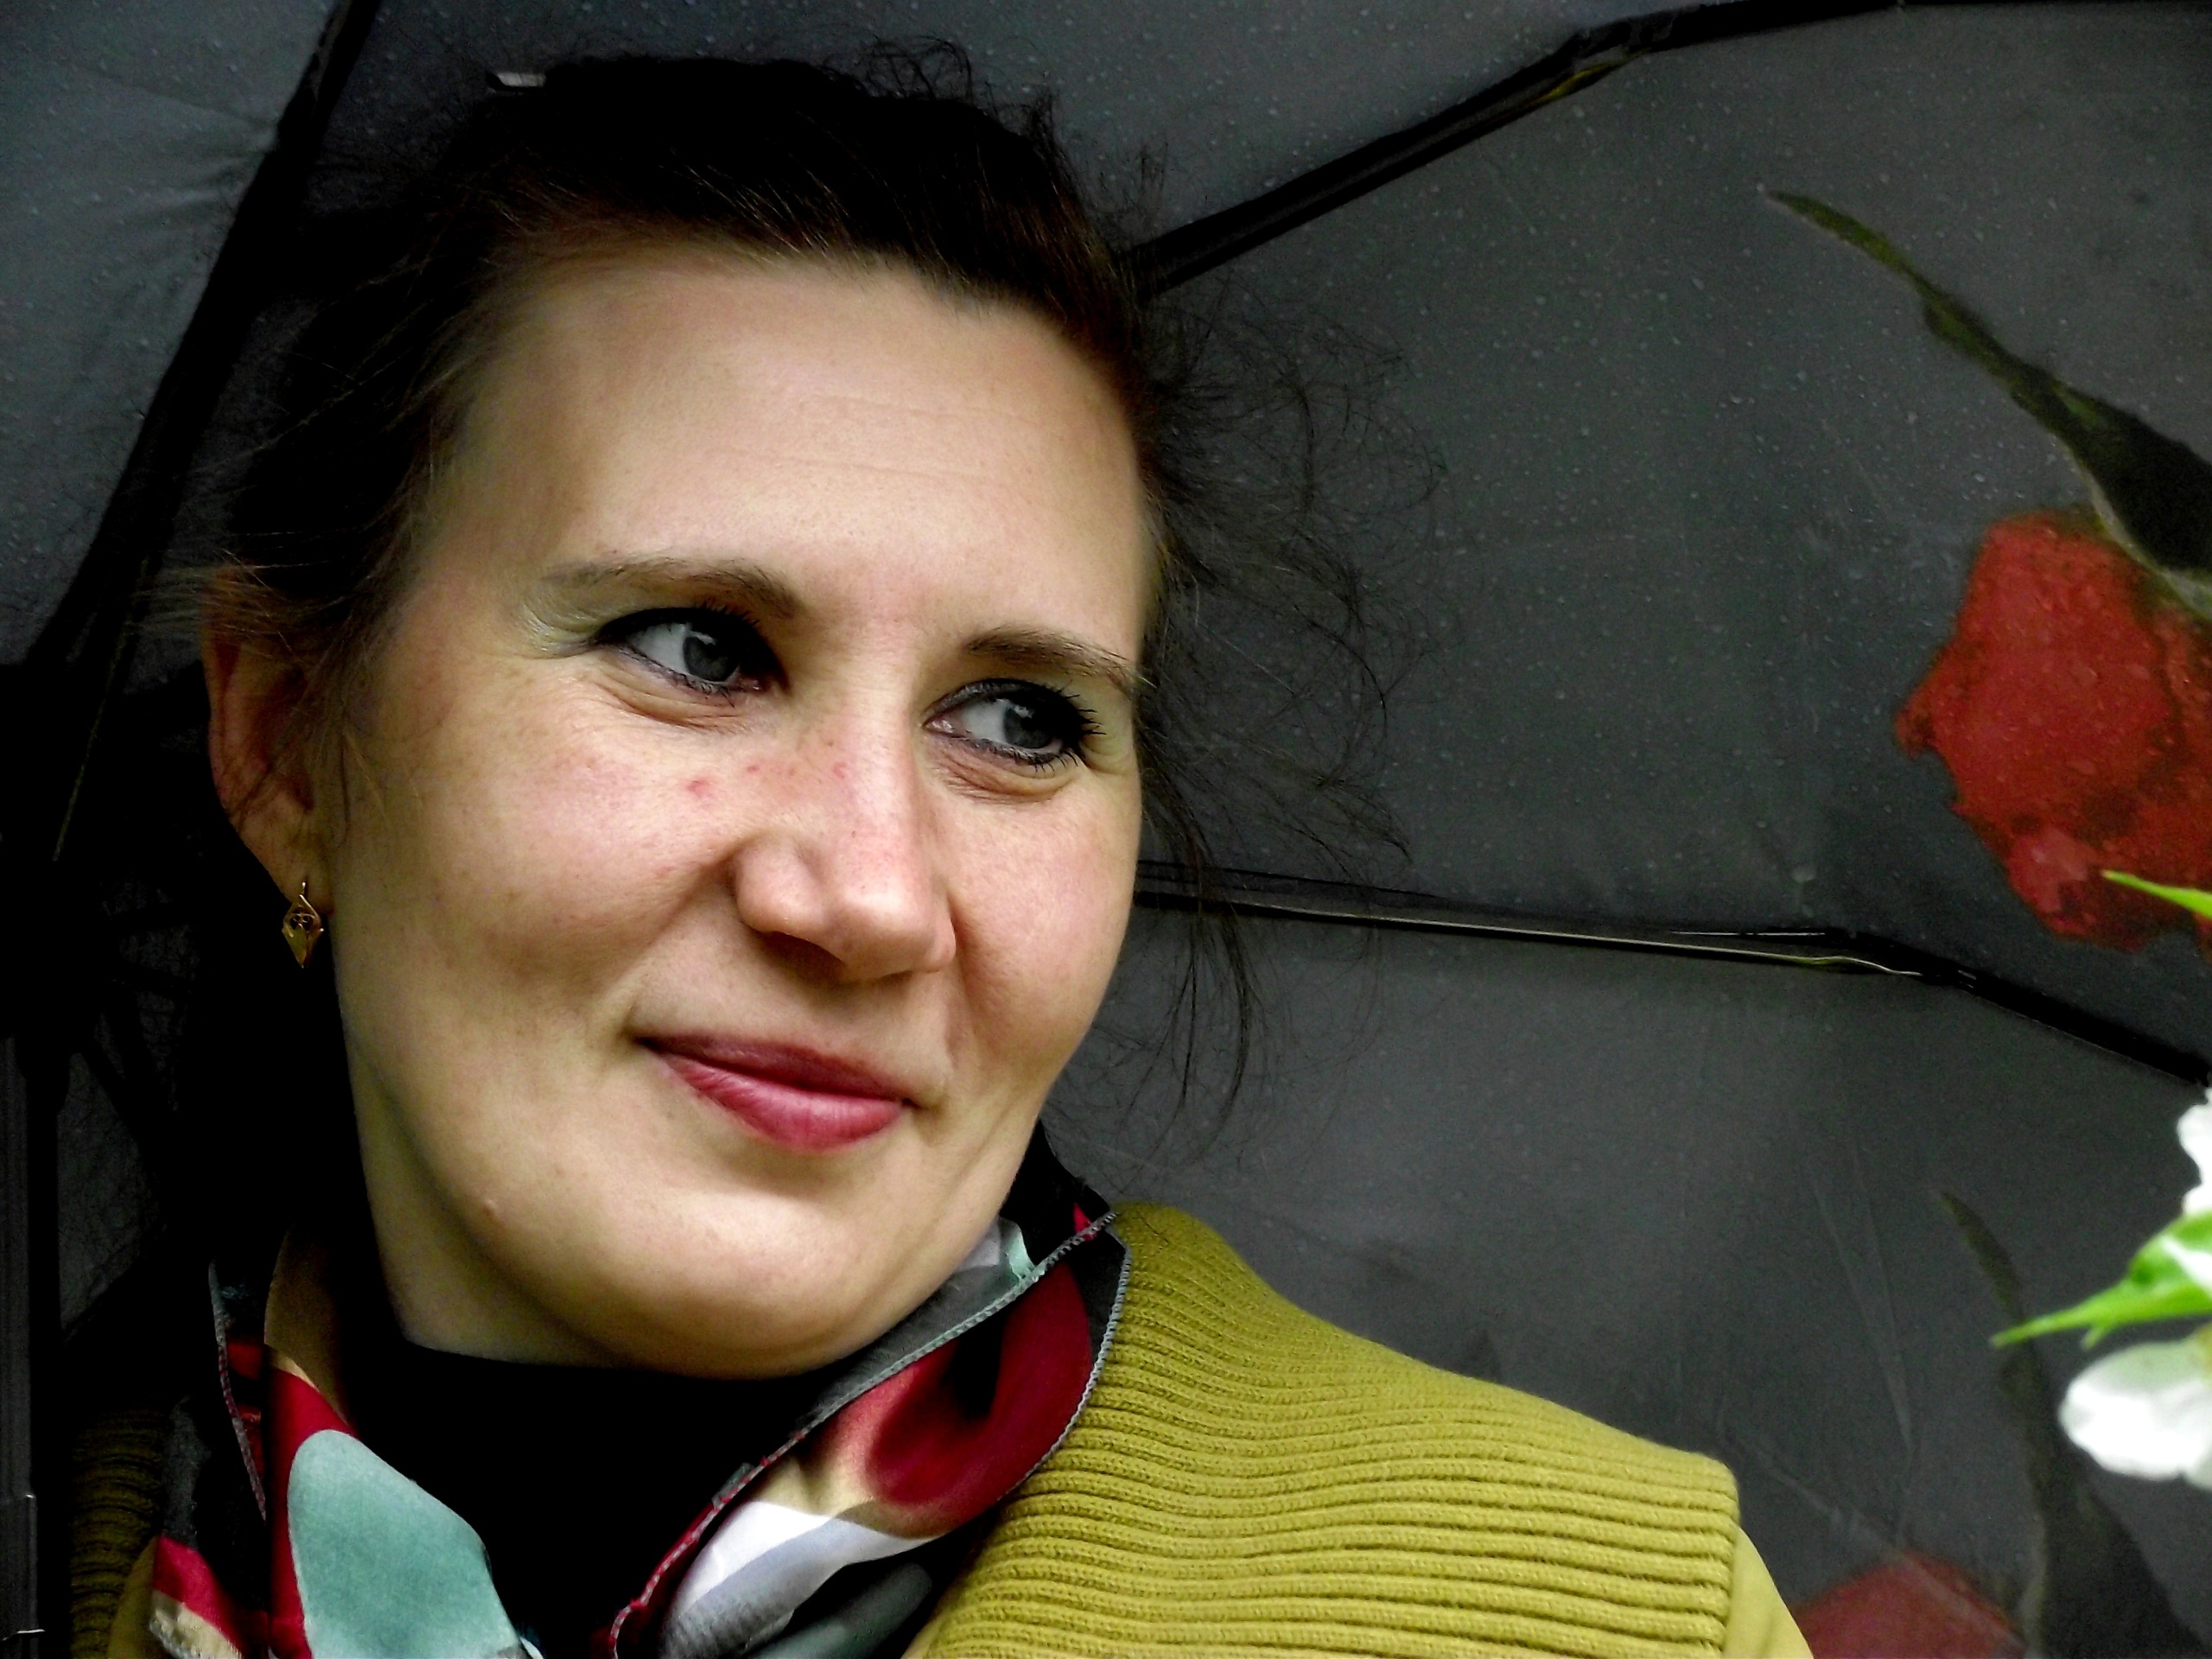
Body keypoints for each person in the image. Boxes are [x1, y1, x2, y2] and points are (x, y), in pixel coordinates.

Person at [71, 55, 1808, 1659]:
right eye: (698, 649)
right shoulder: (40, 1539)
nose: (872, 897)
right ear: (285, 744)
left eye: (1018, 720)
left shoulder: (1609, 1623)